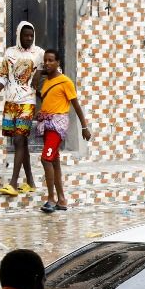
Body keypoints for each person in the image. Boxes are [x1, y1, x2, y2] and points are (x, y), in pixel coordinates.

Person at [0, 21, 45, 196]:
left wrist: (40, 75)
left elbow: (53, 68)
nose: (29, 38)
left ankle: (13, 183)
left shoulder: (39, 53)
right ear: (19, 35)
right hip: (10, 102)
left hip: (27, 103)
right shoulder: (10, 52)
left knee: (19, 140)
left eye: (31, 36)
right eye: (25, 35)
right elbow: (3, 77)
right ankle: (31, 182)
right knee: (21, 142)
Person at [35, 49, 92, 214]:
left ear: (58, 62)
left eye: (51, 60)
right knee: (54, 162)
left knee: (46, 159)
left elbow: (76, 106)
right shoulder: (46, 82)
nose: (47, 63)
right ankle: (62, 199)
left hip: (57, 126)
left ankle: (51, 199)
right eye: (45, 60)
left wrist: (84, 127)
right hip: (46, 125)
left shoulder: (65, 82)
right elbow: (46, 98)